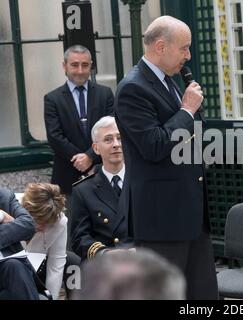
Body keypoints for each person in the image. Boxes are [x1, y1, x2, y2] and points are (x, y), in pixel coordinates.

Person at [114, 15, 218, 299]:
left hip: (191, 212)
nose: (188, 56)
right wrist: (186, 110)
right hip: (162, 218)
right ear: (160, 46)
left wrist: (193, 117)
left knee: (204, 294)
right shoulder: (133, 88)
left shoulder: (169, 79)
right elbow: (155, 145)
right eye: (184, 48)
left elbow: (190, 134)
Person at [44, 45, 114, 195]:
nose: (80, 71)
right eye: (75, 65)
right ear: (64, 66)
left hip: (101, 171)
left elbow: (111, 130)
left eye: (85, 65)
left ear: (91, 65)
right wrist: (82, 159)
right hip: (66, 176)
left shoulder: (105, 94)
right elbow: (54, 136)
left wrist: (90, 157)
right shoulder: (52, 99)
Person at [70, 116, 132, 261]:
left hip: (140, 260)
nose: (116, 144)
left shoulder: (141, 182)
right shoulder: (83, 190)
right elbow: (79, 238)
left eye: (120, 138)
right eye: (108, 139)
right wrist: (105, 253)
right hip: (105, 265)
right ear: (96, 148)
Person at [74, 248, 185, 300]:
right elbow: (81, 235)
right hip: (105, 259)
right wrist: (104, 252)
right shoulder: (85, 199)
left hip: (139, 254)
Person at [19, 183, 67, 299]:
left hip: (35, 278)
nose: (42, 227)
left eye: (47, 223)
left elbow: (55, 268)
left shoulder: (60, 221)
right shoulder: (8, 209)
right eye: (37, 221)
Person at [0, 187, 39, 299]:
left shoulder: (4, 196)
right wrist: (9, 220)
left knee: (15, 265)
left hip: (6, 267)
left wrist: (2, 215)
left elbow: (28, 225)